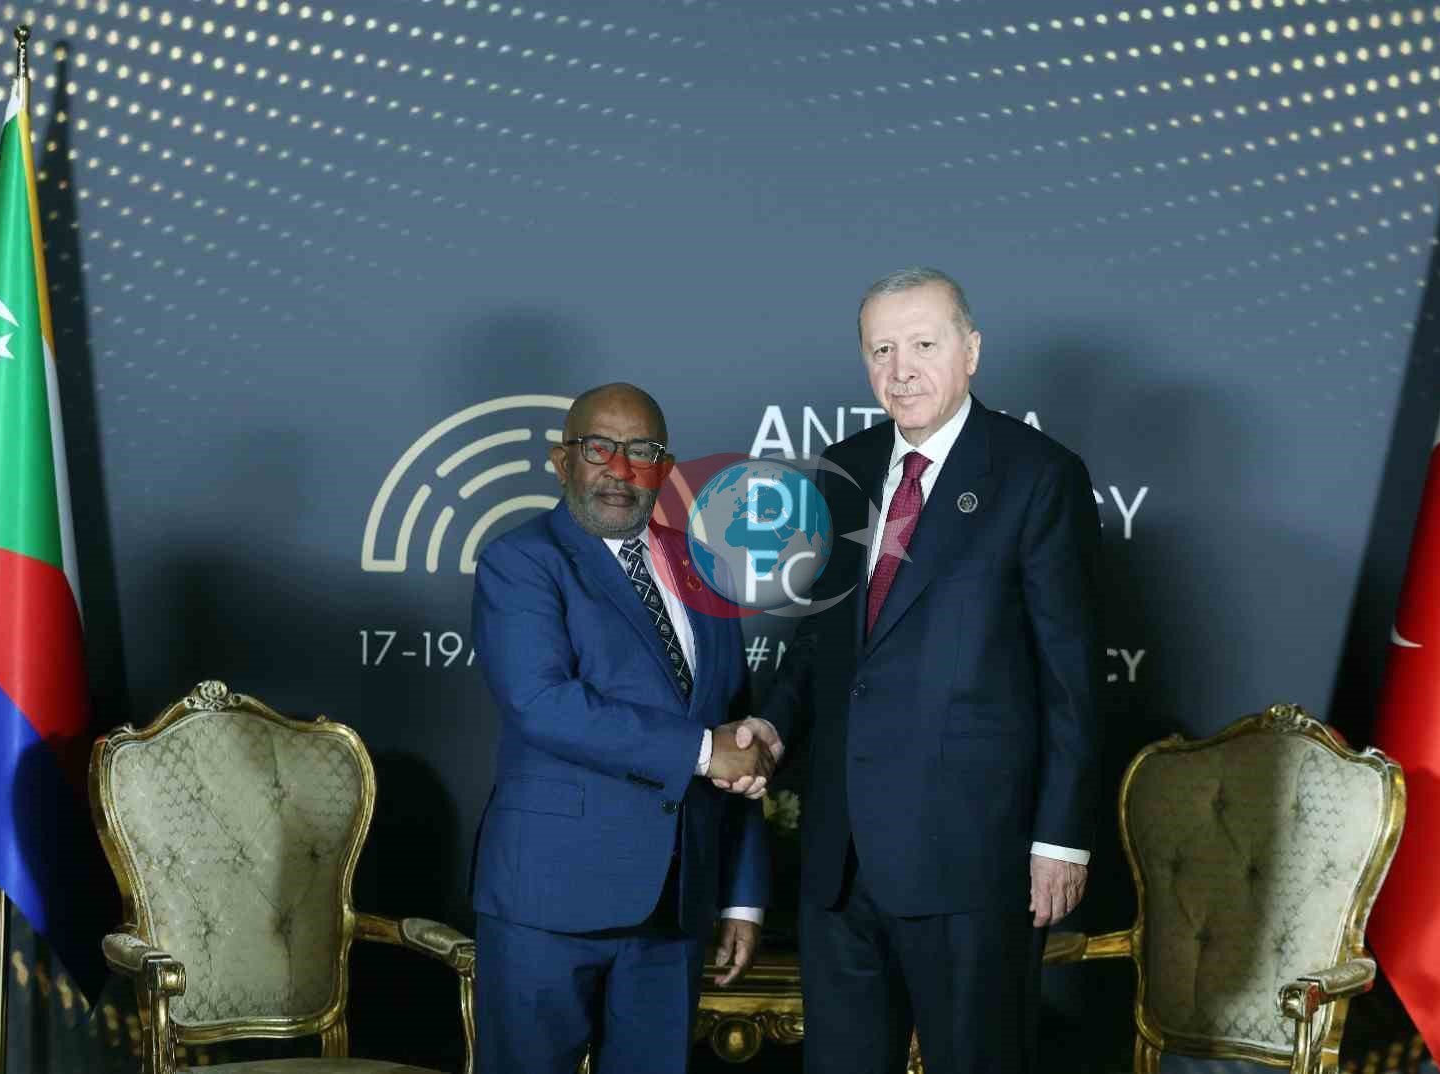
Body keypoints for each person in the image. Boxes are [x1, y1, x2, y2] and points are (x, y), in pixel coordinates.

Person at [758, 268, 1103, 1073]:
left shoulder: (1038, 475)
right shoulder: (844, 469)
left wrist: (1061, 840)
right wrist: (772, 725)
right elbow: (822, 641)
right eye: (881, 350)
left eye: (922, 344)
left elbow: (1071, 674)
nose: (901, 369)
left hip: (971, 862)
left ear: (970, 351)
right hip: (841, 861)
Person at [470, 382, 783, 1073]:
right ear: (561, 460)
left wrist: (742, 896)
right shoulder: (520, 561)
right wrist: (700, 751)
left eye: (642, 451)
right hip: (547, 902)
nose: (620, 470)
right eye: (599, 449)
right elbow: (542, 702)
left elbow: (736, 735)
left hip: (674, 908)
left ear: (663, 469)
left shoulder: (701, 565)